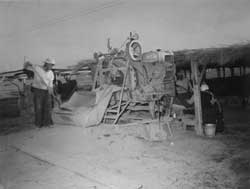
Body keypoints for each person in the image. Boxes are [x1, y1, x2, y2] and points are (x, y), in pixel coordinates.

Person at [24, 58, 55, 128]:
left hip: (46, 91)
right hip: (37, 90)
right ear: (46, 64)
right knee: (38, 107)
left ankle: (47, 123)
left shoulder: (51, 73)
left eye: (52, 66)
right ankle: (38, 124)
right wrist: (27, 64)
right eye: (49, 65)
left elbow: (51, 84)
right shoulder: (37, 68)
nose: (50, 67)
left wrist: (51, 90)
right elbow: (26, 67)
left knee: (48, 107)